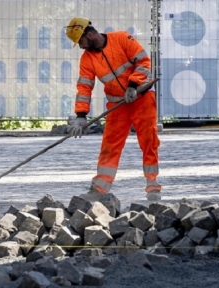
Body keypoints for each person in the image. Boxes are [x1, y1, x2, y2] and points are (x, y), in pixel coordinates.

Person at [65, 17, 162, 202]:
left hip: (142, 99)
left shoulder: (122, 39)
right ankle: (99, 188)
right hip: (117, 106)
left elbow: (144, 62)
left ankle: (153, 186)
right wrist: (81, 115)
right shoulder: (87, 59)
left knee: (149, 141)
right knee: (109, 146)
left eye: (81, 41)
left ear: (90, 34)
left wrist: (133, 85)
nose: (81, 47)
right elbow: (84, 87)